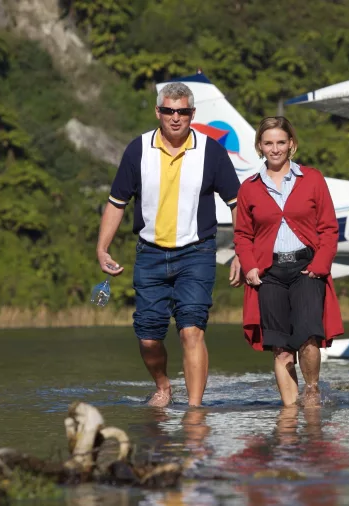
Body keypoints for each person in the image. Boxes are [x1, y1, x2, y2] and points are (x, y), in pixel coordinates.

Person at [96, 82, 242, 408]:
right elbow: (116, 202)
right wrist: (102, 249)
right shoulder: (137, 149)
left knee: (191, 331)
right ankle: (163, 386)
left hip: (197, 251)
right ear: (158, 112)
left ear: (192, 114)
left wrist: (241, 251)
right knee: (149, 339)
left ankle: (194, 409)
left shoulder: (211, 151)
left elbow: (237, 203)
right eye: (168, 111)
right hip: (150, 253)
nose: (175, 118)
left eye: (183, 112)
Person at [232, 116, 344, 407]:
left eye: (281, 142)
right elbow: (242, 235)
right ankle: (290, 413)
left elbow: (329, 228)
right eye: (268, 143)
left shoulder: (313, 179)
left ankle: (312, 393)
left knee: (308, 337)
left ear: (291, 144)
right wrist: (249, 266)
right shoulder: (249, 188)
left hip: (307, 270)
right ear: (260, 146)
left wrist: (320, 265)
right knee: (281, 349)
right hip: (269, 273)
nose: (275, 149)